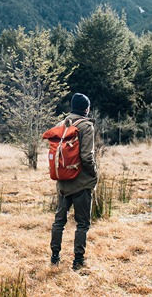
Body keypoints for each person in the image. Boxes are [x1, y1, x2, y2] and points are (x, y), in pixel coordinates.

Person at [50, 92, 98, 270]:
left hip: (63, 182)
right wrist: (94, 174)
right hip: (81, 183)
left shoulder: (61, 124)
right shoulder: (86, 126)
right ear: (87, 109)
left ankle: (54, 257)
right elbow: (87, 157)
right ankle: (78, 260)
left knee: (59, 221)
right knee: (83, 223)